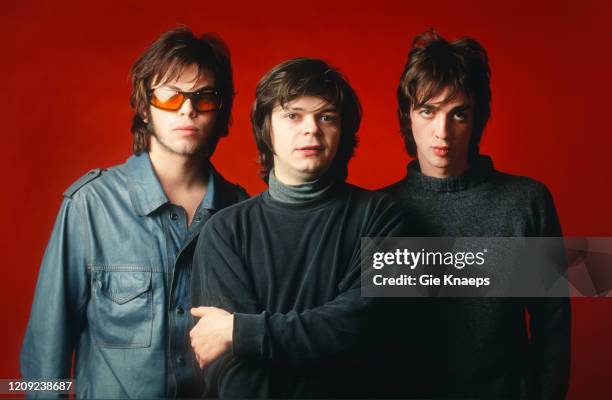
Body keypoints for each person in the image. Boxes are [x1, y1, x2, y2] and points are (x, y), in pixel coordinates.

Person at [20, 27, 248, 398]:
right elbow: (46, 351)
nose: (188, 108)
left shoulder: (240, 212)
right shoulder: (90, 206)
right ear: (145, 108)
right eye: (171, 96)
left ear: (220, 112)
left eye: (204, 97)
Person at [190, 57, 404, 398]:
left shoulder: (380, 217)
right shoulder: (224, 231)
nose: (312, 129)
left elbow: (360, 331)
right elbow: (230, 371)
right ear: (266, 128)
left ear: (342, 130)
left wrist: (242, 332)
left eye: (327, 117)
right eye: (293, 115)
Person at [381, 30, 571, 399]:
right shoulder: (378, 210)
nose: (443, 131)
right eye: (428, 111)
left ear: (477, 118)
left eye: (459, 114)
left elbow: (554, 326)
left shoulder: (527, 201)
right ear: (408, 116)